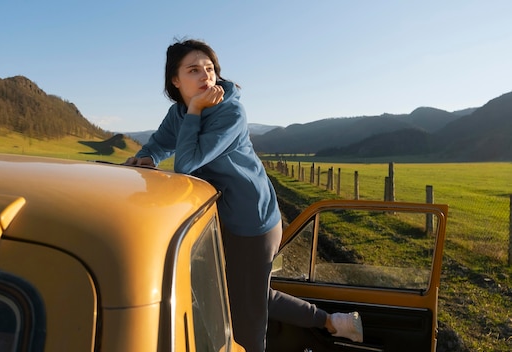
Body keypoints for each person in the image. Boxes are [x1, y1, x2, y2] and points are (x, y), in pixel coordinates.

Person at [124, 38, 363, 352]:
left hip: (252, 221)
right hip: (221, 219)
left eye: (209, 69)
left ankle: (331, 323)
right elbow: (158, 144)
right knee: (238, 292)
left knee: (245, 312)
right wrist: (148, 158)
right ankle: (336, 322)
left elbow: (187, 163)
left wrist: (196, 109)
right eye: (193, 70)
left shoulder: (229, 111)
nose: (205, 76)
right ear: (175, 80)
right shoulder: (179, 113)